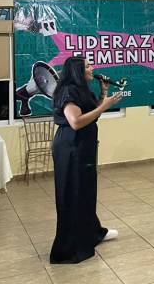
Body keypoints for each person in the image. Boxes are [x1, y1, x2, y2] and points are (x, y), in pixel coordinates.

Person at [49, 57, 123, 264]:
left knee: (86, 192)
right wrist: (105, 106)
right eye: (88, 66)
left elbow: (90, 114)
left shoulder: (83, 90)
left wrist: (103, 94)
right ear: (77, 71)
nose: (93, 68)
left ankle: (91, 233)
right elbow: (76, 122)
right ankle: (70, 248)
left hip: (83, 146)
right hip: (71, 147)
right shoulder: (68, 91)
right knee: (73, 193)